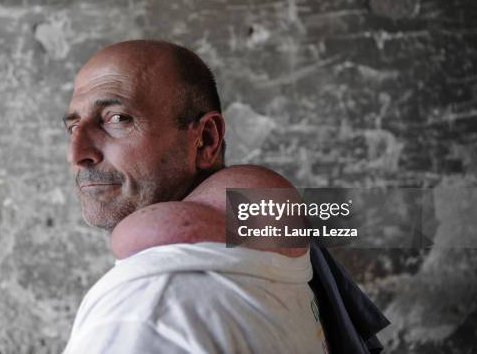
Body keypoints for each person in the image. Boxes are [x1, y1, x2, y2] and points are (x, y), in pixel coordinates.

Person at [61, 40, 385, 353]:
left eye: (117, 118)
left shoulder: (144, 313)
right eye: (73, 126)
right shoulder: (276, 263)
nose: (78, 154)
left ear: (205, 139)